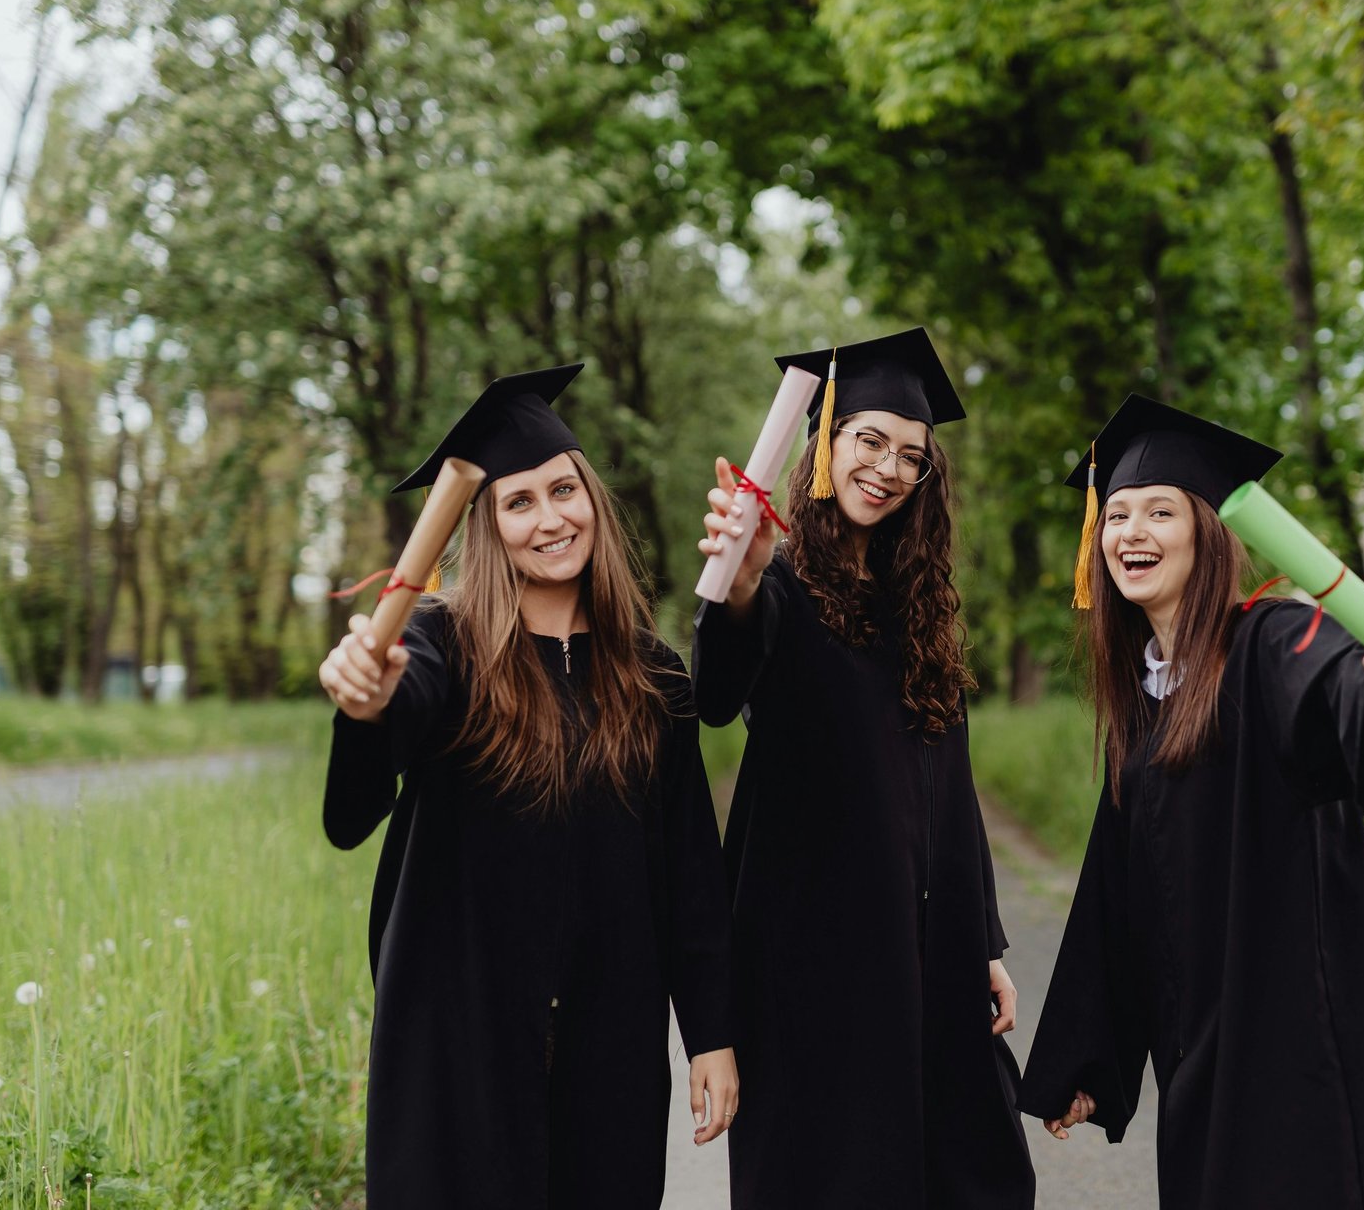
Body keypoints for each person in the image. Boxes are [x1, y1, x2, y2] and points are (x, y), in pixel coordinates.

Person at [1016, 394, 1364, 1209]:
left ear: (1208, 532)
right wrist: (1087, 1058)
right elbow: (1117, 890)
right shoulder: (1144, 700)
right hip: (1205, 1039)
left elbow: (1345, 700)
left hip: (1308, 1027)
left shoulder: (1272, 639)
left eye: (1161, 511)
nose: (1132, 533)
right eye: (1117, 516)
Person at [316, 365, 736, 1210]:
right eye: (519, 502)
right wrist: (366, 706)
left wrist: (711, 1036)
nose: (550, 519)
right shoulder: (441, 647)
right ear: (488, 526)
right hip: (459, 1035)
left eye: (563, 490)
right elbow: (354, 808)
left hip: (608, 1036)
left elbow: (689, 871)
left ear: (593, 500)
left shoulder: (653, 675)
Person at [692, 329, 1034, 1209]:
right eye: (869, 441)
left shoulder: (919, 610)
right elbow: (716, 694)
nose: (887, 468)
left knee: (965, 1167)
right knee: (835, 1171)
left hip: (927, 949)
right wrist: (738, 581)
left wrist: (983, 942)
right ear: (825, 444)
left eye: (910, 456)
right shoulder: (779, 587)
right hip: (814, 958)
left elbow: (952, 792)